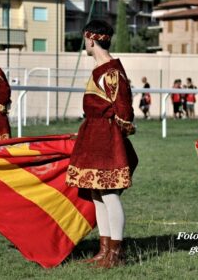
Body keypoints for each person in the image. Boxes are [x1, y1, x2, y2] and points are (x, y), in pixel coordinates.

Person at [65, 20, 138, 268]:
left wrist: (113, 134)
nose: (85, 44)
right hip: (94, 137)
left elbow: (125, 112)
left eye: (85, 40)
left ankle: (116, 254)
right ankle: (104, 249)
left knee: (108, 194)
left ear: (91, 39)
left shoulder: (111, 71)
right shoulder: (100, 69)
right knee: (97, 193)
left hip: (106, 139)